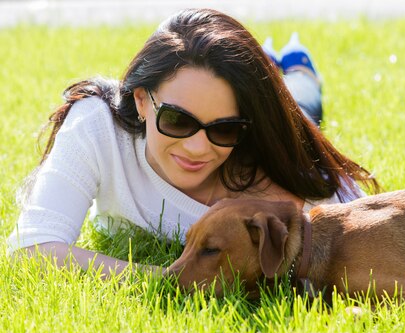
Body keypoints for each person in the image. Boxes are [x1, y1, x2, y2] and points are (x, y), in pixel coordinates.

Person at [7, 8, 379, 278]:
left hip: (287, 110)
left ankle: (297, 69)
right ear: (141, 100)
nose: (199, 148)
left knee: (301, 106)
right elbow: (31, 249)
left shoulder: (273, 170)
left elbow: (364, 223)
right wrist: (164, 279)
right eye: (177, 120)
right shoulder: (98, 126)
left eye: (224, 129)